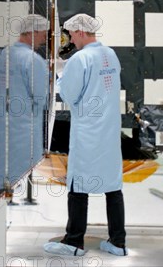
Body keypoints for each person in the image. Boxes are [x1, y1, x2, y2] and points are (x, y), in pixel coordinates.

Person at [43, 13, 128, 257]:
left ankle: (73, 243)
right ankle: (118, 243)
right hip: (110, 133)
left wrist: (61, 73)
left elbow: (69, 95)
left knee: (78, 186)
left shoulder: (81, 58)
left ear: (80, 32)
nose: (71, 39)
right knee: (113, 187)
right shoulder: (110, 54)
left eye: (71, 34)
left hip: (88, 133)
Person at [0, 14, 49, 202]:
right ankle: (18, 202)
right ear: (32, 32)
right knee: (21, 171)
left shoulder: (4, 55)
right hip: (24, 129)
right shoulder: (33, 60)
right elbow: (41, 97)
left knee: (1, 171)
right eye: (43, 34)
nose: (44, 39)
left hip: (2, 125)